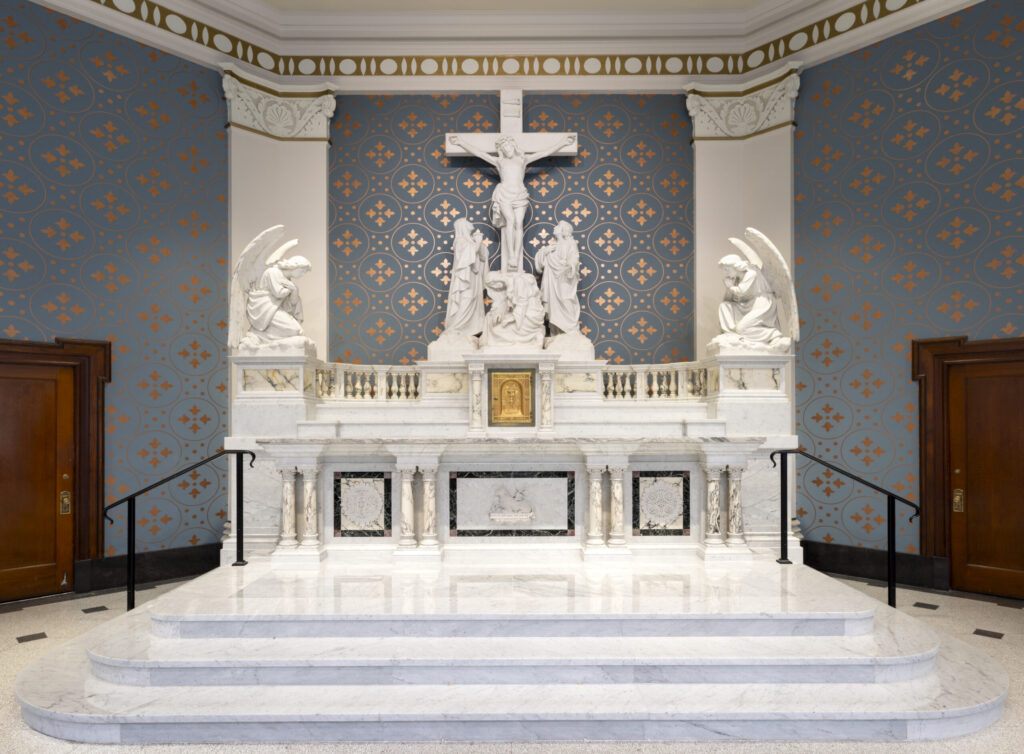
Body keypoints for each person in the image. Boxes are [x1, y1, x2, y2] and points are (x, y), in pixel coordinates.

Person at [448, 132, 574, 273]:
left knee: (518, 224)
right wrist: (460, 142)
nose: (506, 149)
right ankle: (512, 257)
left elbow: (543, 154)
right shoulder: (499, 161)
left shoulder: (522, 159)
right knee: (510, 221)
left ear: (513, 145)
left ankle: (514, 255)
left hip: (520, 195)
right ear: (501, 150)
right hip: (504, 195)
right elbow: (480, 154)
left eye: (508, 145)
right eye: (503, 147)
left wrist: (563, 143)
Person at [716, 254, 782, 344]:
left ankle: (773, 334)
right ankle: (731, 333)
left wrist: (730, 286)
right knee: (724, 306)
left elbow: (741, 291)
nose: (726, 273)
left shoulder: (751, 273)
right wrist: (731, 290)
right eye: (724, 270)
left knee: (742, 329)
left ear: (735, 266)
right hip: (747, 303)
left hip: (762, 303)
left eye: (727, 269)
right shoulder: (736, 279)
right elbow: (733, 298)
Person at [246, 255, 312, 342]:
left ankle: (263, 334)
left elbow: (293, 302)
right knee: (295, 331)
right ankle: (257, 333)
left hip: (276, 308)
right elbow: (278, 293)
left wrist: (295, 290)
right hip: (266, 309)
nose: (302, 275)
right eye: (302, 271)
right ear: (295, 266)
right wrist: (291, 288)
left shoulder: (287, 279)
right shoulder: (273, 272)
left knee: (299, 331)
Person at [535, 220, 581, 335]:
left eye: (557, 226)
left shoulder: (570, 243)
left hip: (564, 278)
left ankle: (571, 332)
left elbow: (574, 258)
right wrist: (545, 251)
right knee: (553, 306)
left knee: (566, 300)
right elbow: (540, 263)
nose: (554, 228)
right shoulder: (552, 246)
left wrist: (569, 265)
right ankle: (557, 334)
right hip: (552, 281)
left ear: (563, 230)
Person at [444, 218, 487, 336]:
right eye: (467, 221)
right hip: (464, 279)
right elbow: (467, 257)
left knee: (473, 298)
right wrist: (477, 243)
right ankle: (457, 327)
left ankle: (471, 329)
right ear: (462, 226)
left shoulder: (470, 241)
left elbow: (482, 257)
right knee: (465, 299)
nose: (470, 222)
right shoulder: (460, 241)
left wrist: (480, 245)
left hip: (474, 277)